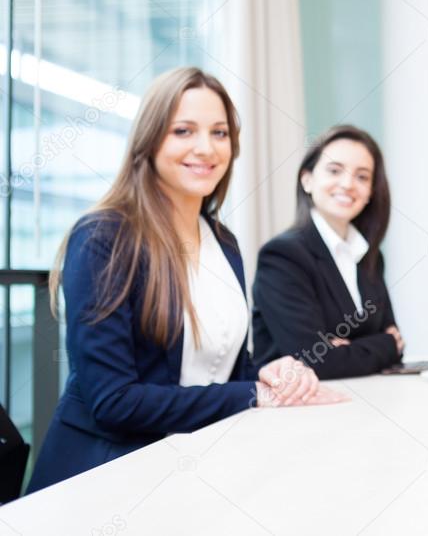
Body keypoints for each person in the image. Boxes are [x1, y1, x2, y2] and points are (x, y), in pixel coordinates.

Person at [28, 67, 345, 493]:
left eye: (219, 133)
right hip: (105, 478)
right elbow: (113, 402)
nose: (205, 148)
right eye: (183, 130)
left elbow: (223, 367)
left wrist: (267, 375)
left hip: (195, 462)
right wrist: (252, 394)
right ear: (150, 140)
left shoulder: (222, 240)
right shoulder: (104, 237)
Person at [252, 125, 404, 378]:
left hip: (360, 400)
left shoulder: (370, 257)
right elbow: (317, 361)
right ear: (307, 179)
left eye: (362, 177)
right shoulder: (282, 256)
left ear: (371, 192)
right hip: (296, 411)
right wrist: (383, 345)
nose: (348, 184)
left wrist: (350, 349)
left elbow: (397, 344)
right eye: (334, 170)